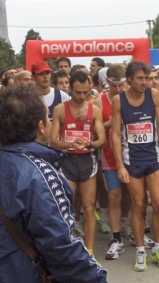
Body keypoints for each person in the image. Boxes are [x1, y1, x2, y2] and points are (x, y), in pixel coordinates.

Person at [0, 85, 110, 283]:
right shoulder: (40, 174)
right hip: (25, 281)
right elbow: (61, 246)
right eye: (48, 118)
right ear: (41, 126)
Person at [111, 61, 159, 271]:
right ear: (129, 79)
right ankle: (139, 249)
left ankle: (158, 246)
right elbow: (115, 134)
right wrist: (119, 165)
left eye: (147, 78)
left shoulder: (154, 95)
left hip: (153, 158)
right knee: (138, 205)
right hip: (132, 160)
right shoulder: (118, 100)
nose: (144, 82)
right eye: (140, 78)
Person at [50, 71, 106, 256]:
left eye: (85, 92)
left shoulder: (94, 110)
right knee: (67, 207)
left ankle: (89, 251)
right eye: (78, 92)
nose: (82, 96)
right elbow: (53, 141)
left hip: (87, 161)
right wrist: (70, 144)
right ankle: (68, 249)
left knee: (89, 207)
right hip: (67, 161)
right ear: (70, 89)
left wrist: (89, 144)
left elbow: (101, 140)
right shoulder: (60, 109)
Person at [94, 64, 130, 259]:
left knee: (131, 195)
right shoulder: (99, 101)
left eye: (122, 85)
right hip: (109, 155)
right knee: (114, 196)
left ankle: (125, 224)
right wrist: (113, 121)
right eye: (114, 86)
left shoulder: (133, 97)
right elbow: (95, 129)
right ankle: (116, 238)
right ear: (107, 82)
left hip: (132, 155)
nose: (118, 90)